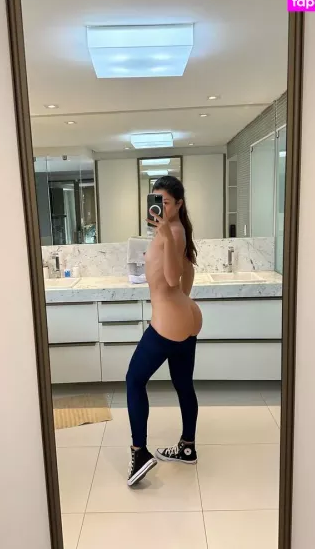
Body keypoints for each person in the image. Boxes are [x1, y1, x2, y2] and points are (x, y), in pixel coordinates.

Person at [126, 176, 203, 487]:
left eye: (166, 202)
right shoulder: (177, 229)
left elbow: (172, 278)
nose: (160, 207)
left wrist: (166, 239)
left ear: (179, 204)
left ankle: (139, 453)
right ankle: (187, 447)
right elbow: (188, 270)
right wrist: (181, 304)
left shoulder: (172, 232)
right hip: (185, 317)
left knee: (134, 380)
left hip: (169, 322)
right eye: (156, 200)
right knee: (183, 384)